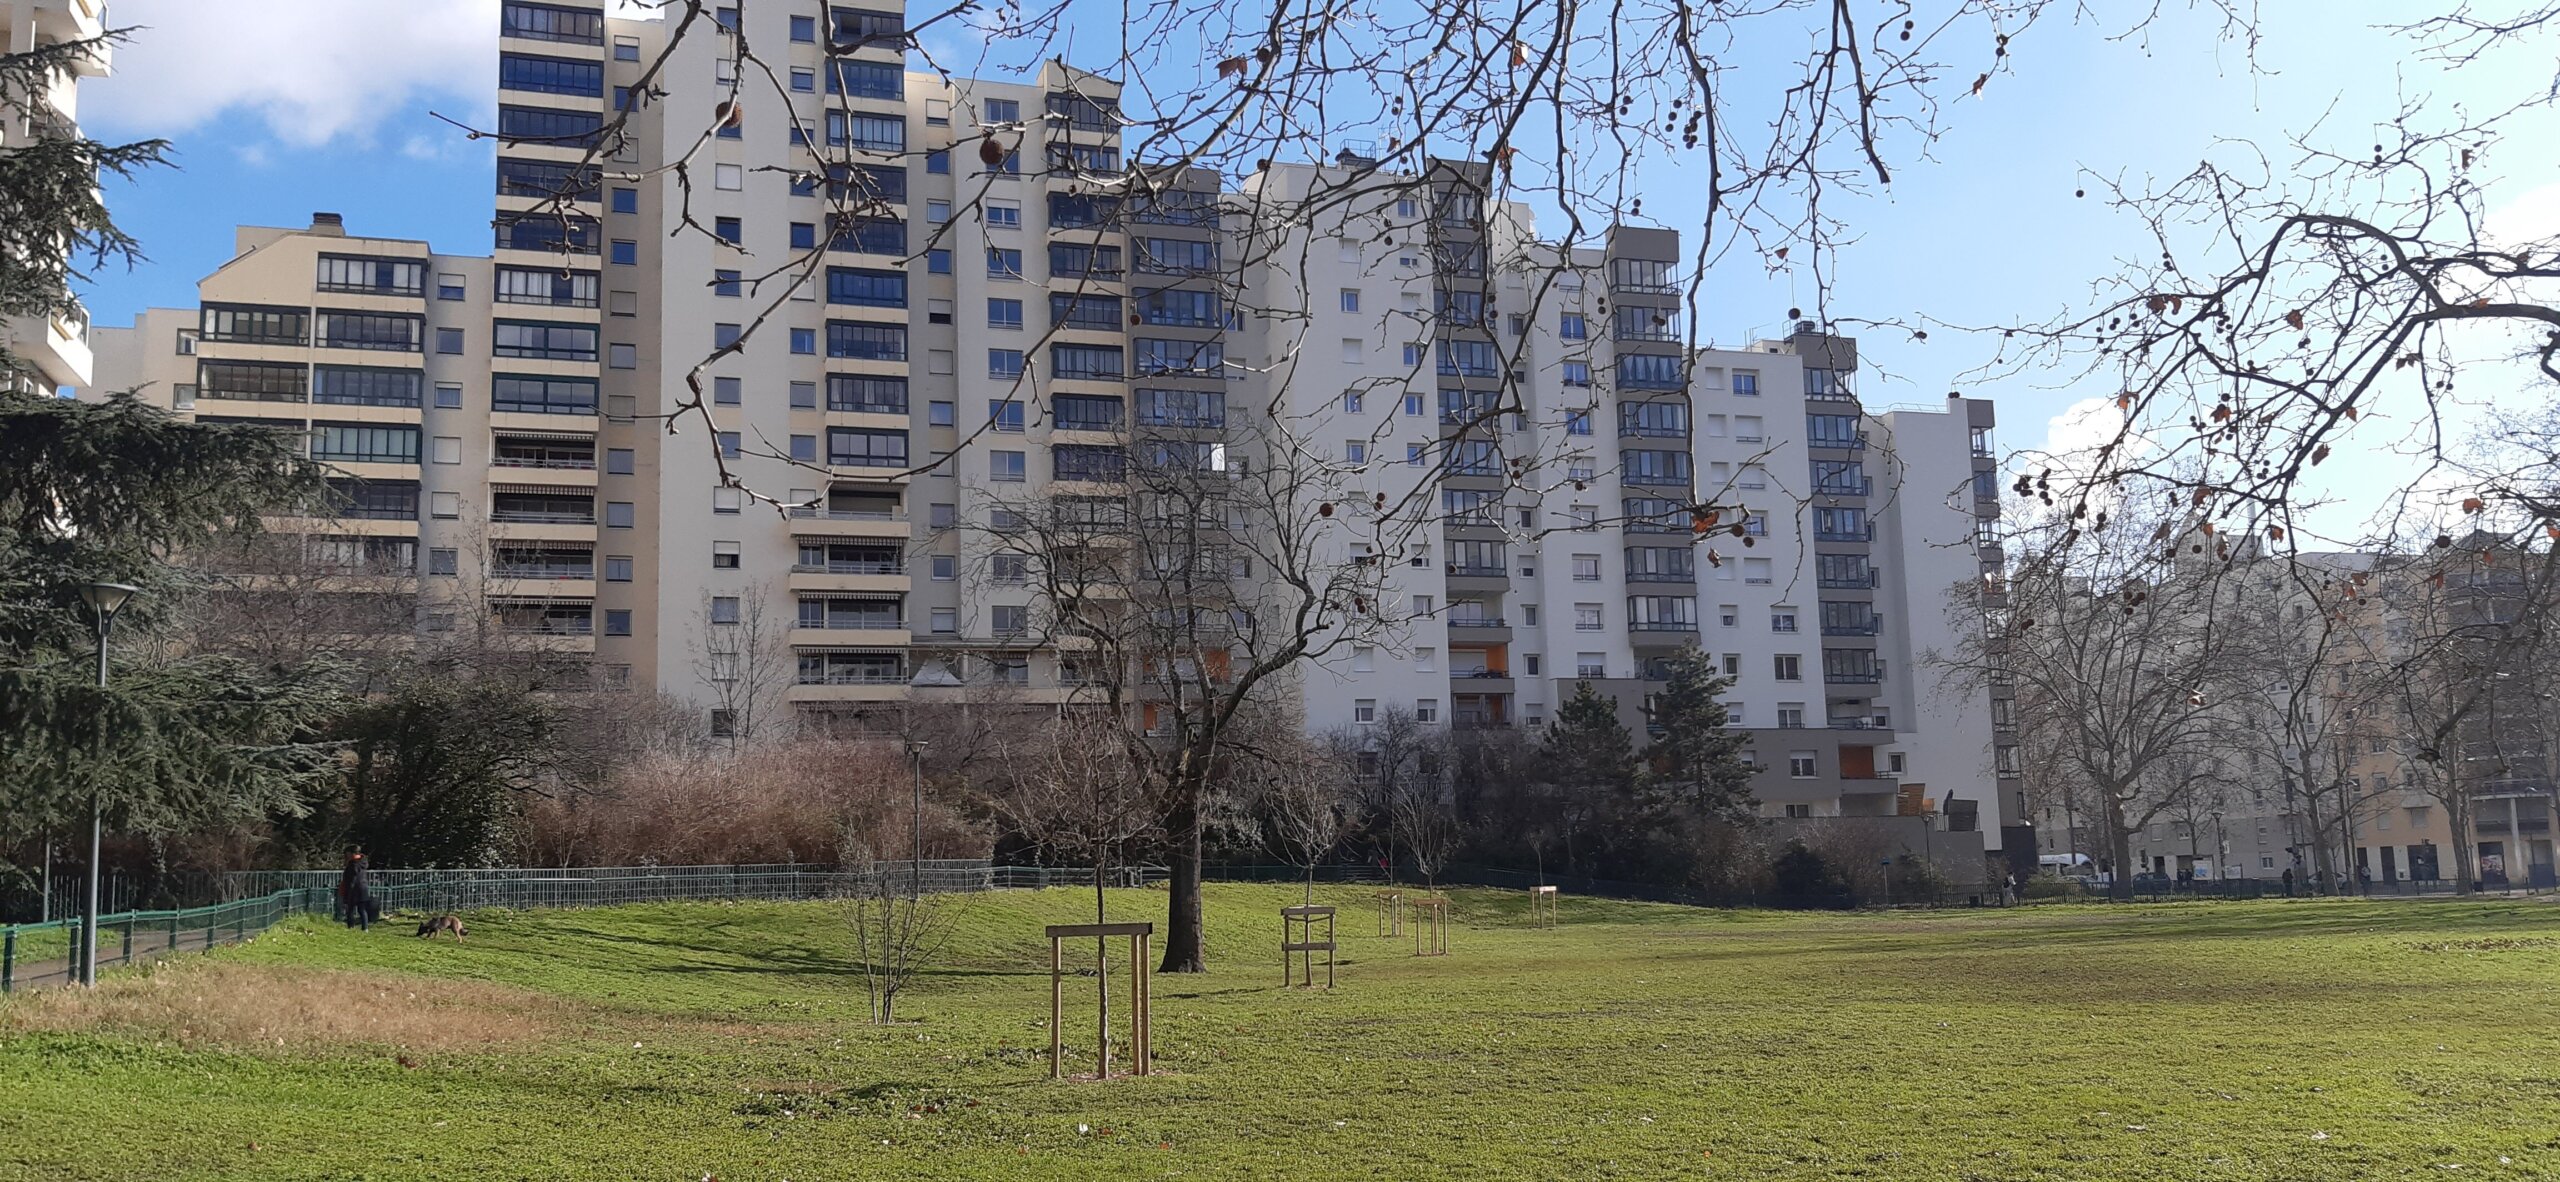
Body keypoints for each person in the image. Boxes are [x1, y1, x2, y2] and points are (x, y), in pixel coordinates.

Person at [339, 849, 375, 932]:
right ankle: (365, 928)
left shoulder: (353, 864)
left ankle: (351, 926)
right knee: (362, 909)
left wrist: (348, 891)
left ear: (352, 853)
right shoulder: (363, 862)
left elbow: (352, 878)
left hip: (354, 888)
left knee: (350, 908)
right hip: (363, 887)